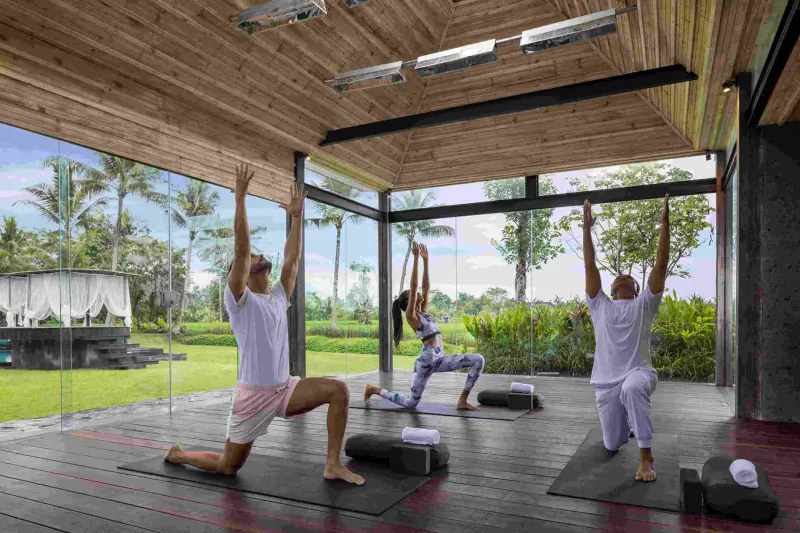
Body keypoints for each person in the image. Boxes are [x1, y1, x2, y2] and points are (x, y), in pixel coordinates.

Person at [165, 164, 364, 485]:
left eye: (259, 254)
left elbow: (292, 260)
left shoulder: (277, 297)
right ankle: (180, 454)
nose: (258, 256)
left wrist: (298, 218)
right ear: (242, 271)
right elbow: (242, 250)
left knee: (338, 390)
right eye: (254, 257)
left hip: (285, 389)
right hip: (253, 397)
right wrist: (240, 198)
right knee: (229, 466)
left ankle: (332, 465)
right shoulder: (240, 300)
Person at [583, 194, 670, 482]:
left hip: (639, 372)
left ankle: (647, 458)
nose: (622, 277)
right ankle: (628, 426)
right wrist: (586, 228)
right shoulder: (600, 305)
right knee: (612, 443)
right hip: (606, 382)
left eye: (628, 278)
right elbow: (589, 265)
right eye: (618, 278)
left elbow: (660, 266)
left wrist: (664, 224)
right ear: (611, 288)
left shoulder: (644, 304)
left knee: (632, 389)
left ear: (634, 288)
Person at [363, 242, 485, 411]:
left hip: (440, 358)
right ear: (409, 300)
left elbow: (426, 287)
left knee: (478, 359)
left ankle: (462, 400)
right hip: (426, 361)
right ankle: (373, 389)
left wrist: (426, 260)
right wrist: (415, 259)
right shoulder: (412, 317)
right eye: (412, 293)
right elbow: (414, 287)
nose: (418, 292)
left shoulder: (424, 312)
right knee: (410, 403)